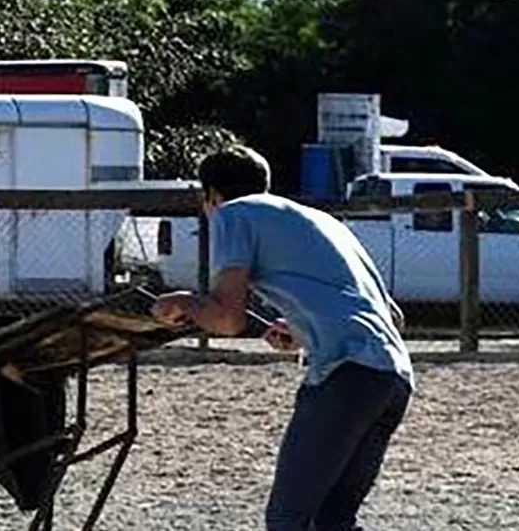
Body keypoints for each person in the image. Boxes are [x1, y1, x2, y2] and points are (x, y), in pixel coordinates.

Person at [151, 145, 414, 531]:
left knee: (288, 520)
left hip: (346, 375)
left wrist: (181, 303)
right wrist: (304, 330)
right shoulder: (321, 220)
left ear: (211, 195)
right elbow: (393, 317)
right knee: (333, 520)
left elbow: (227, 319)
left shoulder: (234, 214)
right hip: (392, 376)